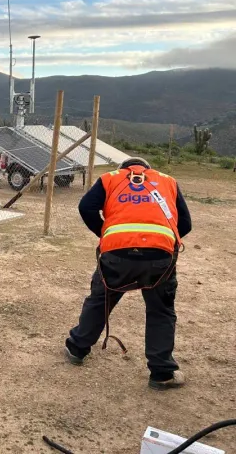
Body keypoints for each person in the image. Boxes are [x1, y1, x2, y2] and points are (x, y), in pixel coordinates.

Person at [64, 156, 192, 391]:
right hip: (159, 257)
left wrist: (106, 233)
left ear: (122, 169)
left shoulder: (110, 179)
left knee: (101, 299)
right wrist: (165, 241)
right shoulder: (167, 181)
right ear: (148, 170)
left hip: (117, 254)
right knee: (161, 311)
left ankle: (77, 348)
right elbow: (185, 222)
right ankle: (162, 372)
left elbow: (86, 207)